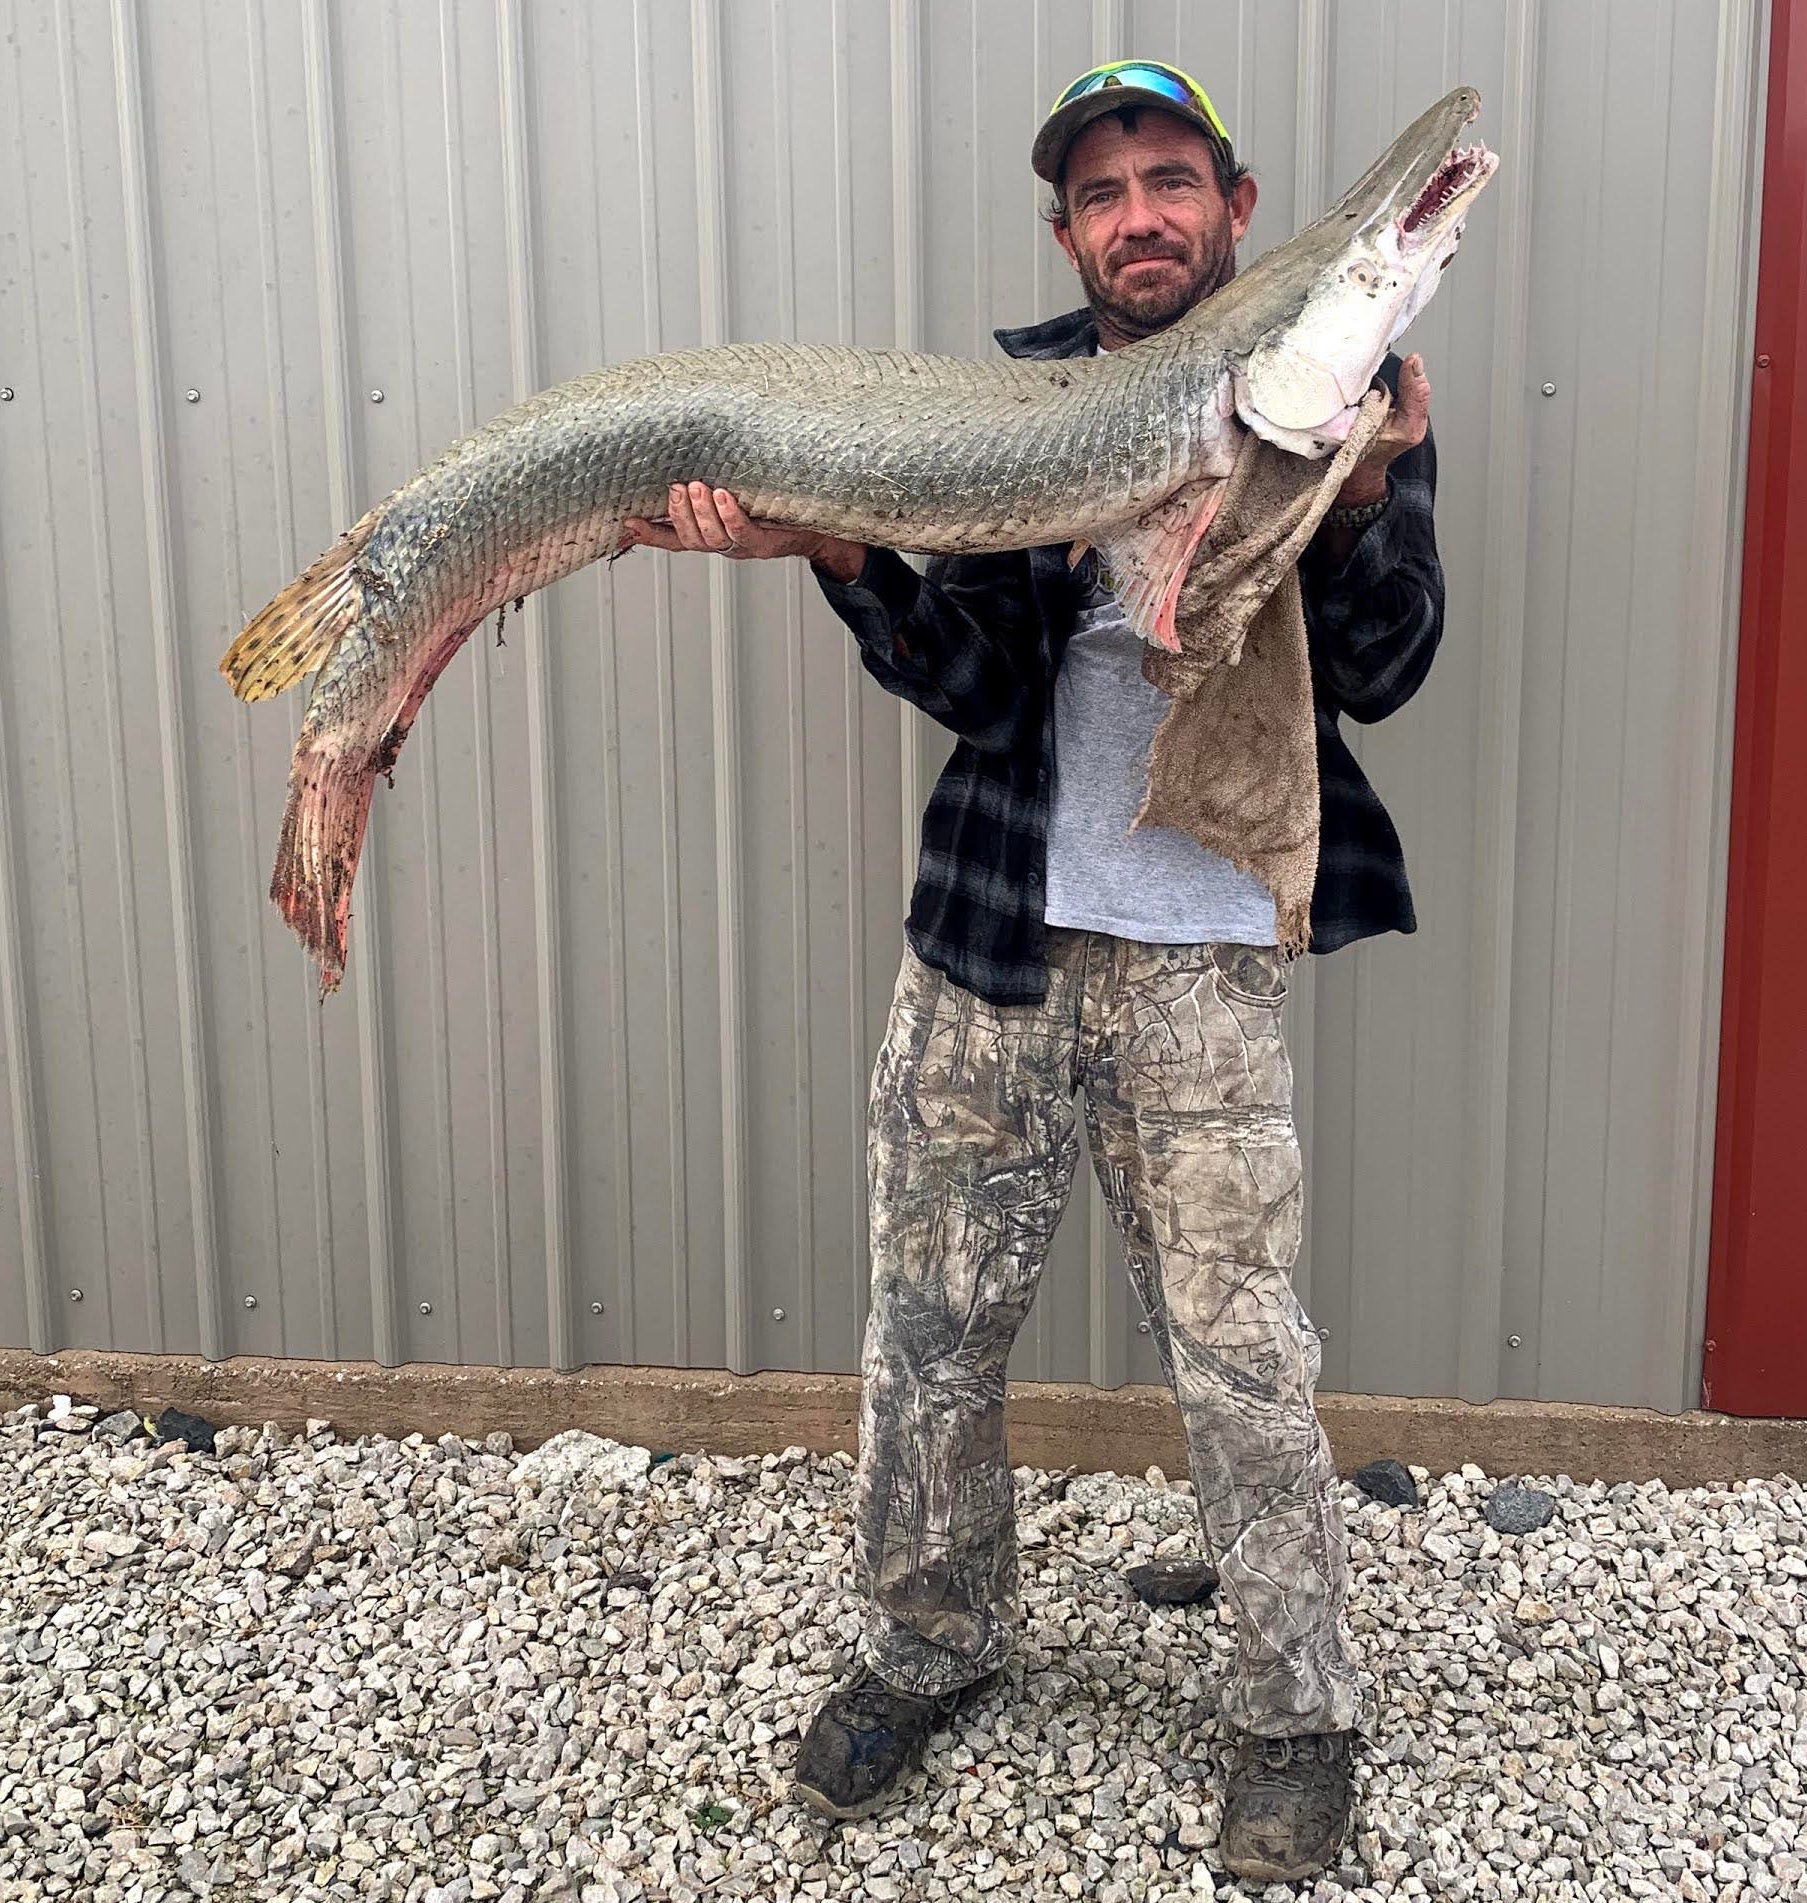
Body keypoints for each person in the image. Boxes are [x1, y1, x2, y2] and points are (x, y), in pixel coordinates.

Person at [622, 56, 1444, 1887]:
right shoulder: (1020, 408)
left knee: (1244, 1367)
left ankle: (1296, 1715)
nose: (1137, 216)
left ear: (1234, 209)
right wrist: (839, 546)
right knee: (927, 1338)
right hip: (991, 950)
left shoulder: (1348, 395)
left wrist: (1373, 492)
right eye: (1100, 193)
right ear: (1067, 232)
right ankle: (928, 1644)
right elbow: (979, 686)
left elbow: (1384, 674)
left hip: (1207, 970)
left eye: (1169, 180)